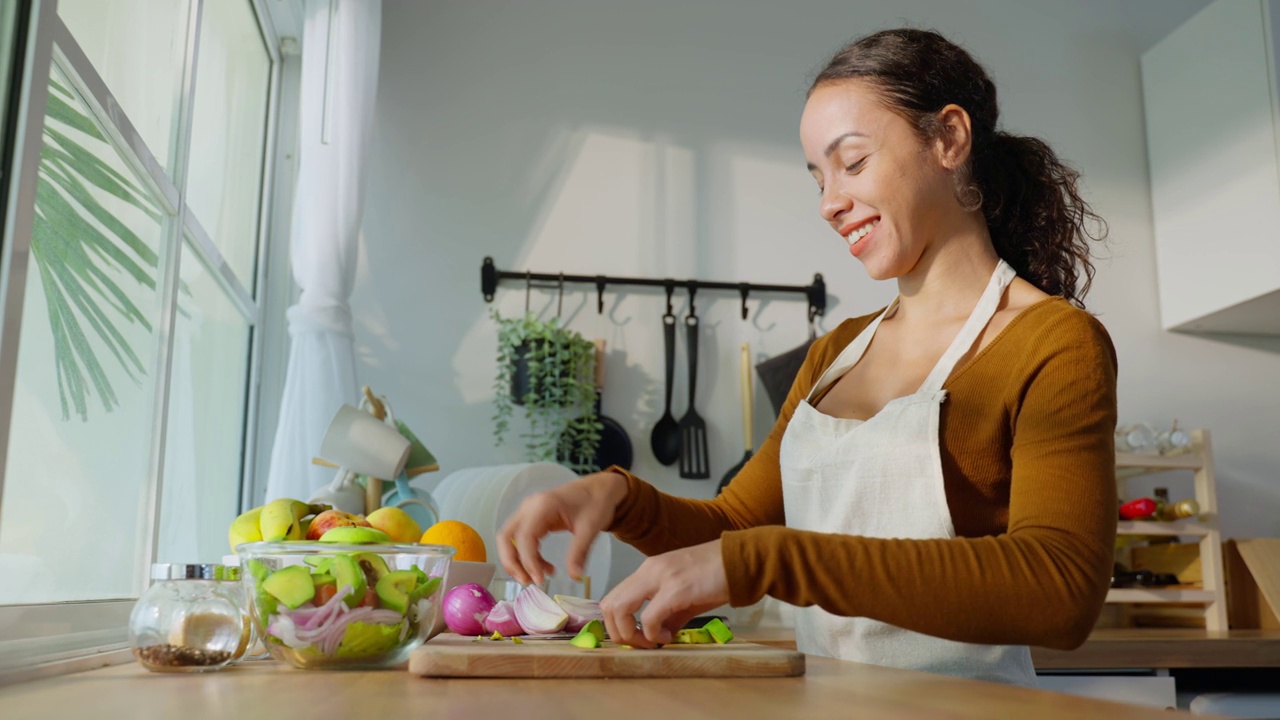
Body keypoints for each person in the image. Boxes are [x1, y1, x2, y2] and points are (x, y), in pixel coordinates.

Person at [497, 27, 1117, 686]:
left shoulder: (1052, 342)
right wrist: (618, 497)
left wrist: (768, 560)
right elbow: (733, 528)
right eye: (818, 177)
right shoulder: (838, 351)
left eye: (852, 162)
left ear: (949, 139)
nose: (828, 203)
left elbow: (1061, 590)